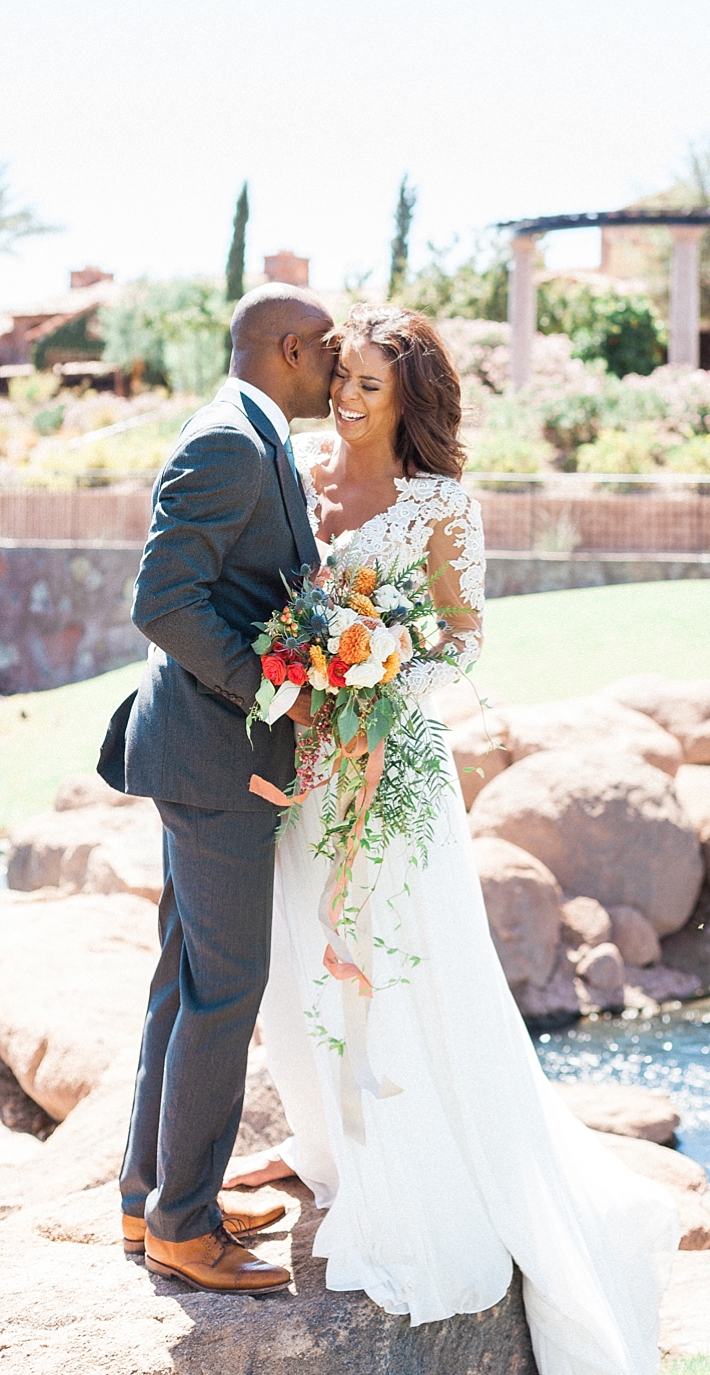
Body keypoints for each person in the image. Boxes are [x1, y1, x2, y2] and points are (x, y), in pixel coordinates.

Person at [222, 305, 680, 1372]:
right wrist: (308, 682)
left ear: (408, 397)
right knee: (304, 961)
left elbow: (462, 638)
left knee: (401, 961)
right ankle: (331, 1142)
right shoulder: (290, 473)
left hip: (392, 773)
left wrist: (370, 678)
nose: (345, 397)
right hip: (306, 775)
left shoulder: (440, 504)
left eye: (369, 384)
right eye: (340, 376)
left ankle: (414, 1170)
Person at [98, 283, 339, 1294]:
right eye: (330, 352)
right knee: (222, 989)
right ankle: (185, 1228)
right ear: (292, 347)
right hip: (217, 760)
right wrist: (273, 693)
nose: (339, 369)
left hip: (198, 756)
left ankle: (149, 1192)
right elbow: (163, 600)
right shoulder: (232, 441)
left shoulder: (250, 429)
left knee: (183, 978)